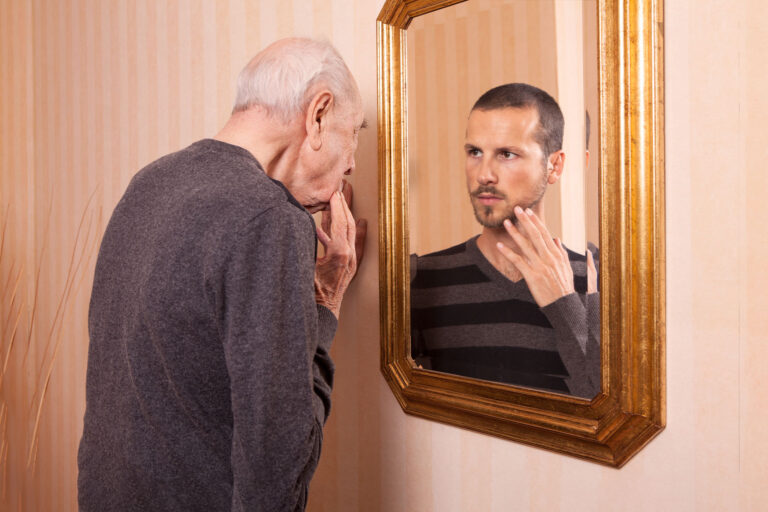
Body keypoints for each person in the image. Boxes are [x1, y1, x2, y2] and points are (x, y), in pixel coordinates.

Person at [77, 38, 367, 511]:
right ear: (318, 114)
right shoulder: (268, 217)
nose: (353, 161)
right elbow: (277, 470)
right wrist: (327, 304)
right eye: (353, 131)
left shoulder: (149, 182)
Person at [410, 83, 599, 398]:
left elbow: (608, 412)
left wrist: (564, 305)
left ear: (555, 165)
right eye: (475, 152)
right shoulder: (423, 278)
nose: (484, 174)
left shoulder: (596, 281)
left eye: (507, 154)